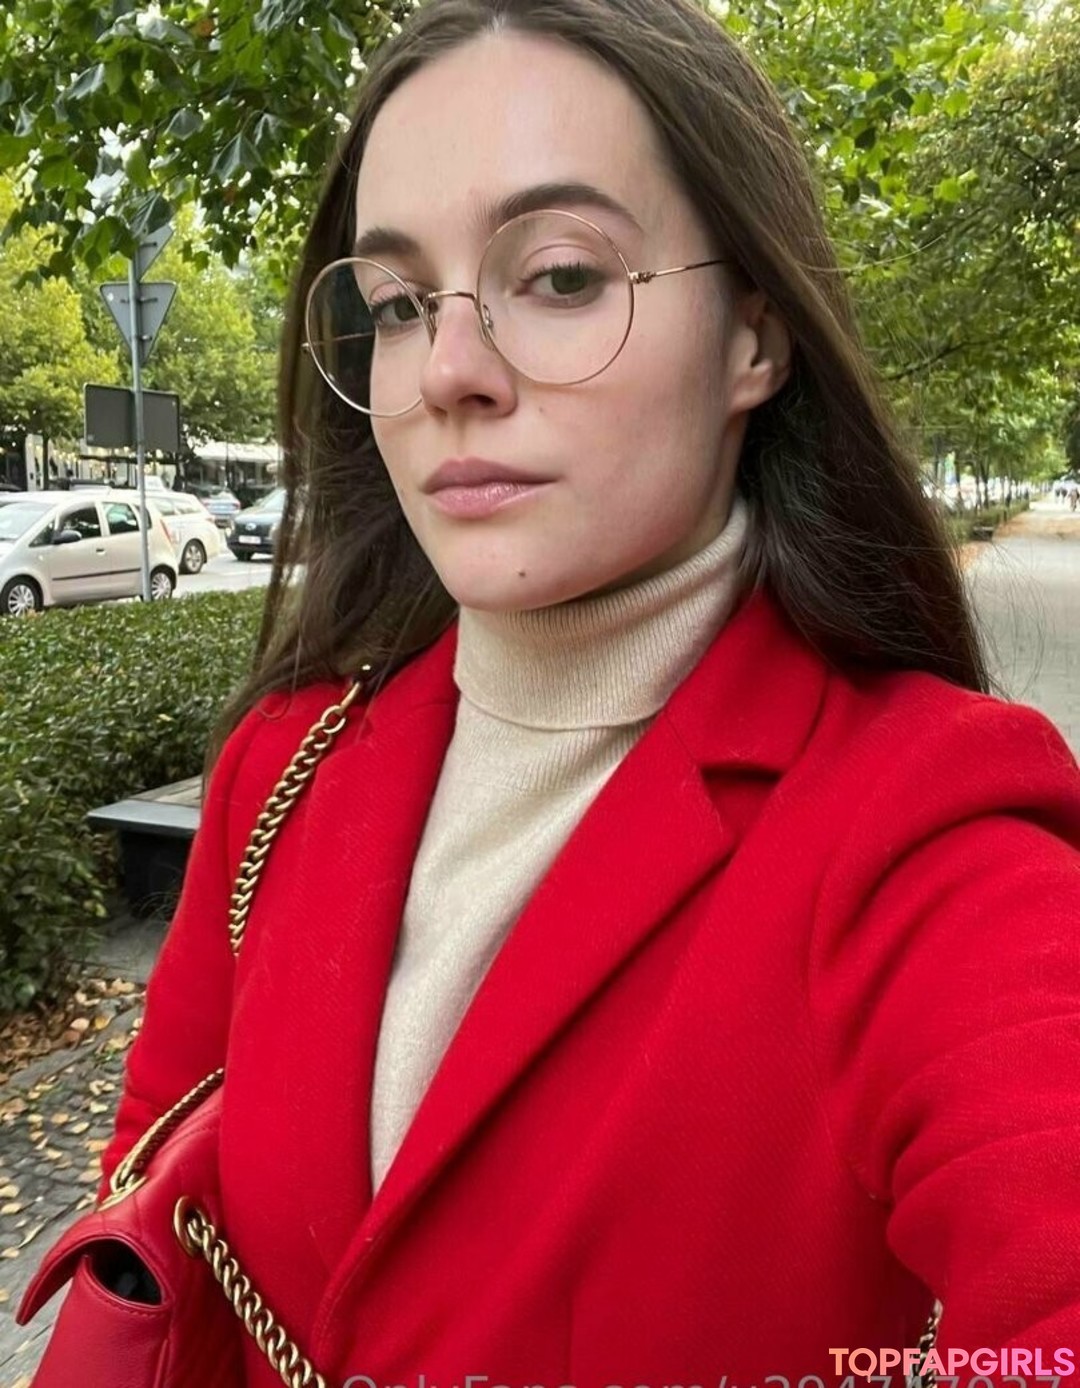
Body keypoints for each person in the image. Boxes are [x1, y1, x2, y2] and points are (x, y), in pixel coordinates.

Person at [88, 0, 1080, 1383]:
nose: (448, 372)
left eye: (558, 276)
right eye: (396, 303)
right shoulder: (282, 763)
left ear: (754, 338)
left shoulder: (925, 830)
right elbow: (149, 1211)